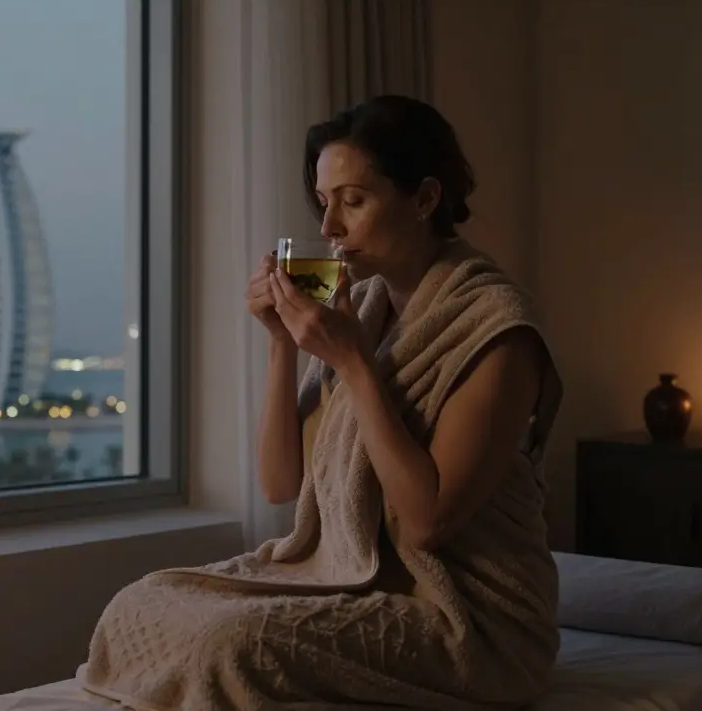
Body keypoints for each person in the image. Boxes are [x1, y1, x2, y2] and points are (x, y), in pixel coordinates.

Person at [80, 96, 563, 710]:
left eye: (353, 201)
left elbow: (428, 522)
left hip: (470, 619)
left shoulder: (499, 329)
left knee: (236, 643)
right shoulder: (364, 309)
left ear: (424, 199)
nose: (329, 227)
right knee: (138, 604)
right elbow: (281, 484)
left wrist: (354, 364)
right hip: (356, 582)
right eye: (324, 201)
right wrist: (282, 344)